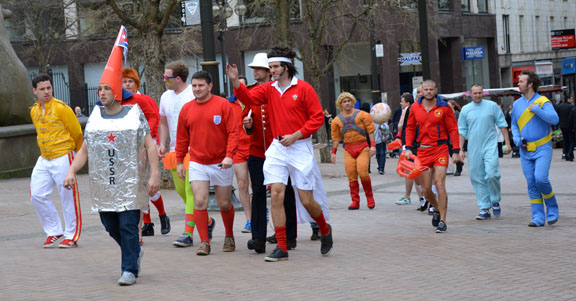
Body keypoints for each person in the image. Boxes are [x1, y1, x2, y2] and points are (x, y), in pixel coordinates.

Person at [63, 29, 159, 285]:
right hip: (104, 186)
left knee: (128, 226)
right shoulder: (94, 117)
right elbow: (85, 149)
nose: (102, 92)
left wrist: (155, 175)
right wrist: (72, 170)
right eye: (100, 89)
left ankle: (129, 269)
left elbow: (150, 146)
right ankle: (134, 251)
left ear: (117, 91)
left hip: (130, 183)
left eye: (107, 88)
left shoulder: (134, 114)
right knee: (110, 226)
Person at [227, 46, 333, 261]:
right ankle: (282, 248)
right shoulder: (269, 89)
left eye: (275, 67)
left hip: (299, 147)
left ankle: (324, 228)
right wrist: (235, 82)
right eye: (270, 67)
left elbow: (317, 118)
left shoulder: (304, 89)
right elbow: (248, 98)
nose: (272, 70)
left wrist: (296, 135)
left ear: (286, 67)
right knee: (276, 193)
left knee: (306, 200)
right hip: (277, 148)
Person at [241, 53, 299, 253]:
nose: (255, 72)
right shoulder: (252, 92)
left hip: (281, 150)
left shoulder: (280, 91)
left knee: (285, 192)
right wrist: (248, 126)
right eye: (254, 69)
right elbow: (246, 118)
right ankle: (258, 238)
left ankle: (289, 235)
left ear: (270, 71)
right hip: (257, 150)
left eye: (259, 68)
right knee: (257, 192)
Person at [175, 71, 238, 255]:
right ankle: (204, 242)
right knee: (200, 201)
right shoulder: (186, 109)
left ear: (210, 86)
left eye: (201, 85)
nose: (197, 89)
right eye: (194, 86)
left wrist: (229, 155)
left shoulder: (223, 105)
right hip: (197, 162)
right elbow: (181, 139)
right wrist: (180, 161)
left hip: (221, 162)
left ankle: (229, 235)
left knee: (224, 203)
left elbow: (234, 133)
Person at [157, 61, 215, 247]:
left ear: (178, 78)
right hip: (176, 150)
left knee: (191, 192)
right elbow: (164, 122)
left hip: (195, 150)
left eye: (167, 77)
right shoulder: (165, 96)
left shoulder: (193, 92)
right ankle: (206, 222)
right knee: (183, 192)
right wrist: (162, 143)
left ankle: (187, 233)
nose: (164, 79)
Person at [30, 74, 83, 248]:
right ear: (35, 91)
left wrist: (77, 157)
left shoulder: (62, 108)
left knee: (67, 196)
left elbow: (77, 133)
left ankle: (71, 234)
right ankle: (54, 231)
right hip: (44, 157)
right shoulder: (34, 110)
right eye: (42, 89)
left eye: (48, 88)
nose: (46, 92)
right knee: (37, 194)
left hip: (63, 155)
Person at [404, 80, 461, 233]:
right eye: (425, 89)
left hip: (440, 149)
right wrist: (408, 147)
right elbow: (409, 128)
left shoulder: (444, 107)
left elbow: (453, 129)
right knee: (426, 189)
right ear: (421, 91)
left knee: (440, 183)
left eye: (431, 89)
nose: (428, 92)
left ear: (435, 90)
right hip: (422, 151)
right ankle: (436, 208)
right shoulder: (415, 107)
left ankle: (442, 220)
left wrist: (455, 150)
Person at [122, 67, 171, 238]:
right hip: (128, 148)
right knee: (138, 185)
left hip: (146, 144)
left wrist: (146, 138)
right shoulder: (119, 101)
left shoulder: (144, 99)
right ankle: (147, 223)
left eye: (130, 82)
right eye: (124, 82)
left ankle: (163, 215)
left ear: (136, 84)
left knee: (148, 185)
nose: (127, 85)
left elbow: (154, 117)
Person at [511, 71, 559, 227]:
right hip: (525, 150)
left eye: (521, 81)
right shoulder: (517, 104)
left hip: (543, 147)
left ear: (530, 84)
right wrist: (517, 139)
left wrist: (537, 110)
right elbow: (514, 125)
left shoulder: (543, 101)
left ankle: (552, 208)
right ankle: (537, 217)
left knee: (540, 179)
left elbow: (554, 119)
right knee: (531, 183)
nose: (518, 84)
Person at [458, 84, 511, 220]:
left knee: (492, 173)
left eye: (480, 93)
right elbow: (462, 131)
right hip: (474, 147)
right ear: (470, 94)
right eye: (475, 93)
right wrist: (460, 149)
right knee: (477, 176)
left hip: (490, 145)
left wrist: (508, 143)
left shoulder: (492, 106)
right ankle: (484, 208)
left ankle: (495, 199)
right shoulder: (465, 109)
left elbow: (502, 124)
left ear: (483, 93)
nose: (477, 95)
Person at [330, 92, 376, 210]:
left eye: (349, 100)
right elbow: (336, 138)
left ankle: (370, 198)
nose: (347, 103)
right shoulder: (336, 120)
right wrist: (333, 152)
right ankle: (355, 201)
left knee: (363, 172)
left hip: (362, 147)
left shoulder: (362, 115)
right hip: (348, 149)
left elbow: (370, 130)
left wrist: (373, 146)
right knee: (351, 175)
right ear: (340, 104)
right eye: (344, 101)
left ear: (353, 102)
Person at [228, 76, 253, 233]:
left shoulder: (253, 101)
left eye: (242, 85)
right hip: (238, 148)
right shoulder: (228, 104)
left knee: (257, 185)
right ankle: (249, 219)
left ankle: (260, 214)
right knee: (242, 183)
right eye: (236, 85)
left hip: (254, 146)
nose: (239, 87)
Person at [394, 92, 426, 210]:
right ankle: (422, 197)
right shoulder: (410, 109)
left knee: (426, 172)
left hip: (427, 144)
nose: (420, 95)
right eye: (418, 93)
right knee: (413, 171)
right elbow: (407, 127)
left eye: (421, 92)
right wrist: (406, 145)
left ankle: (427, 196)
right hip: (412, 145)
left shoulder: (432, 108)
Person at [448, 100, 464, 176]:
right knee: (451, 153)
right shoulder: (446, 114)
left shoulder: (458, 114)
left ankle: (459, 169)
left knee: (456, 152)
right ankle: (459, 163)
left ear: (453, 106)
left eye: (449, 105)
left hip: (457, 136)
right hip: (448, 137)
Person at [555, 95, 574, 161]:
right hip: (569, 126)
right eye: (571, 99)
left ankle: (565, 153)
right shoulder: (571, 107)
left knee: (565, 140)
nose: (572, 100)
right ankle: (569, 153)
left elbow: (557, 115)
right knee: (571, 140)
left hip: (562, 126)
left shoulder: (559, 106)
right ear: (568, 99)